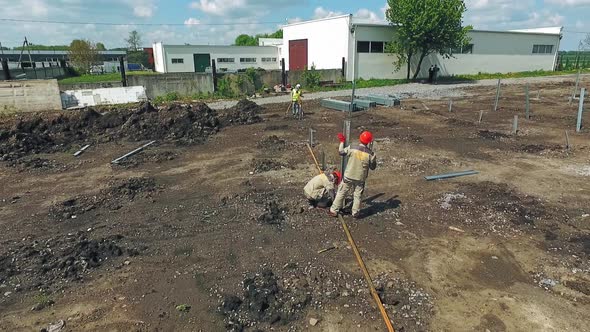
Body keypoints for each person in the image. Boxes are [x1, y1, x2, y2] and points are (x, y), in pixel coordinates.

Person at [329, 131, 377, 219]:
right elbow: (373, 167)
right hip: (360, 178)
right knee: (357, 195)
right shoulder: (370, 154)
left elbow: (341, 152)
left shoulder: (352, 147)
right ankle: (355, 212)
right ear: (369, 142)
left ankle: (334, 210)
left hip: (349, 175)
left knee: (342, 192)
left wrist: (342, 142)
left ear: (360, 138)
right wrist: (373, 158)